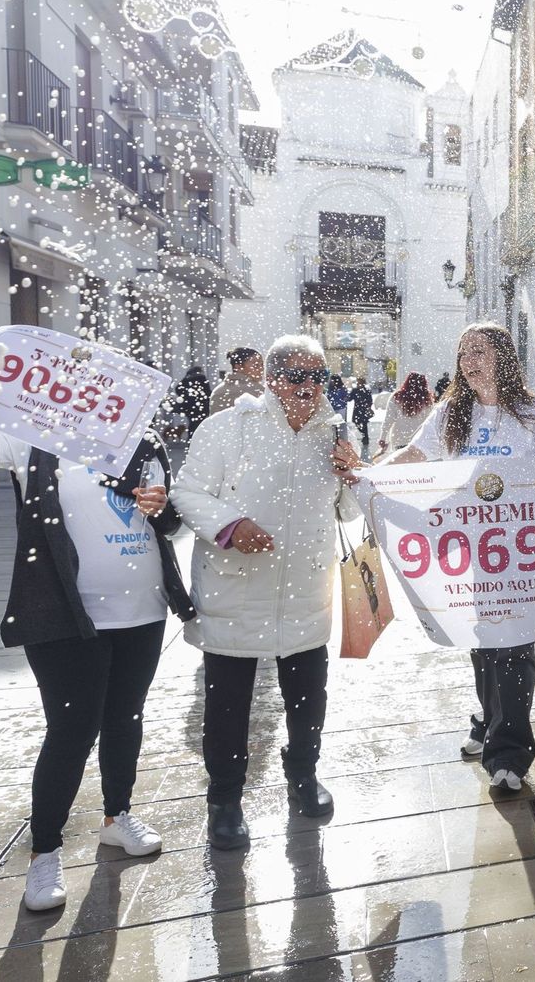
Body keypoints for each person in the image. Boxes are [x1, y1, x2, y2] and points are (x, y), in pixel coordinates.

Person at [0, 336, 192, 912]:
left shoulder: (143, 441)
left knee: (126, 718)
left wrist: (163, 508)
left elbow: (166, 520)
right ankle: (45, 852)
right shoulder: (32, 436)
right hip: (65, 612)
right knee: (72, 729)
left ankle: (117, 814)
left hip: (143, 609)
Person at [347, 324, 535, 793]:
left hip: (521, 556)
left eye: (479, 350)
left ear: (503, 356)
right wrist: (368, 476)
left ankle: (509, 754)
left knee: (514, 647)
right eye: (463, 351)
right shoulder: (451, 414)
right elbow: (414, 456)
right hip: (468, 552)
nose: (469, 360)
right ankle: (489, 720)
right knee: (483, 644)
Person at [172, 335, 357, 850]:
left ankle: (302, 775)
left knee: (308, 700)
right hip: (236, 590)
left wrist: (352, 476)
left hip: (304, 591)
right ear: (271, 379)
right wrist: (230, 525)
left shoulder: (332, 432)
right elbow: (186, 492)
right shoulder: (227, 428)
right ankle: (225, 800)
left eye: (318, 377)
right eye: (296, 377)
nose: (308, 388)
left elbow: (348, 512)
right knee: (228, 706)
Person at [378, 371, 434, 455]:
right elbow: (430, 421)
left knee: (401, 466)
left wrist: (382, 438)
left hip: (400, 439)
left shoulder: (397, 397)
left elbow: (389, 419)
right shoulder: (427, 400)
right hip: (419, 441)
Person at [209, 347, 264, 415]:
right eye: (256, 365)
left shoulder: (217, 391)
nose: (261, 369)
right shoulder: (258, 391)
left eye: (262, 365)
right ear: (238, 367)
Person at [173, 366, 212, 435]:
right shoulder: (202, 378)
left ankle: (191, 440)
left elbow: (178, 389)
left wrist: (186, 396)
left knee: (192, 424)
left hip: (189, 407)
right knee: (201, 424)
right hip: (201, 407)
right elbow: (208, 392)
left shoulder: (187, 379)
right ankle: (199, 439)